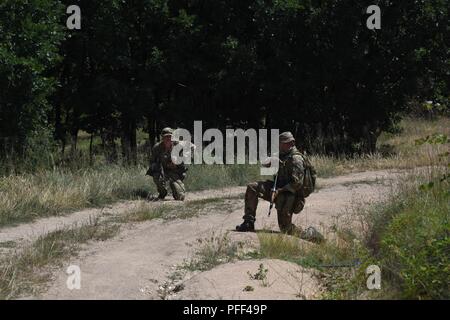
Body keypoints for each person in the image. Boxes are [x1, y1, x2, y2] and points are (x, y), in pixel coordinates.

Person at [235, 131, 324, 243]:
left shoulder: (296, 159)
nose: (280, 145)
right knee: (253, 187)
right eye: (280, 143)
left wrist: (279, 191)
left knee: (285, 229)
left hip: (290, 194)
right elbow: (267, 165)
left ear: (291, 143)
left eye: (282, 143)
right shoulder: (282, 154)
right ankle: (248, 222)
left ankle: (311, 234)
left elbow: (297, 184)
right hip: (277, 188)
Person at [147, 127, 187, 201]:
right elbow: (152, 161)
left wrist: (176, 163)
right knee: (156, 176)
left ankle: (174, 187)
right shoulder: (157, 148)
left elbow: (184, 163)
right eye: (166, 137)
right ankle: (162, 192)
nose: (168, 138)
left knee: (180, 197)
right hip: (162, 171)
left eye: (170, 136)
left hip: (175, 172)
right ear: (162, 138)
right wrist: (156, 167)